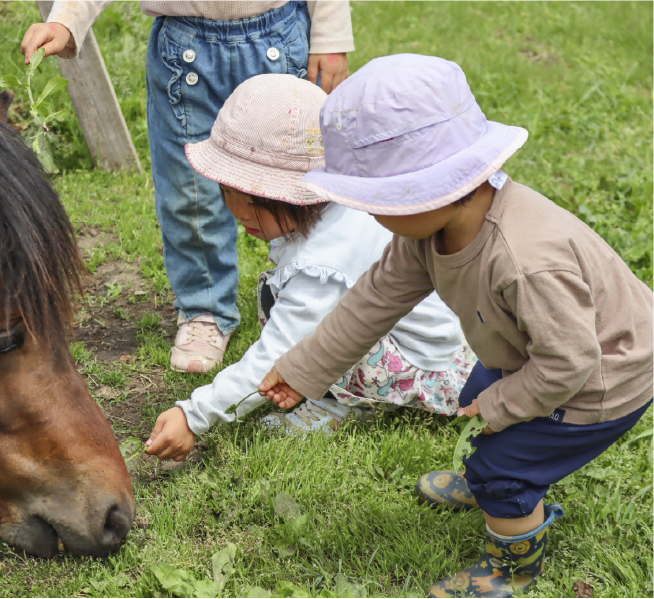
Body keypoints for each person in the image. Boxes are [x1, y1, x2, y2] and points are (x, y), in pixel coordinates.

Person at [258, 54, 653, 597]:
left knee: (504, 468)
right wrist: (304, 369)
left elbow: (571, 361)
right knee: (476, 393)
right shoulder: (428, 232)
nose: (370, 214)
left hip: (603, 378)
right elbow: (373, 300)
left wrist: (502, 406)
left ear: (429, 189)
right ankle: (486, 477)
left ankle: (510, 565)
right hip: (537, 355)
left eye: (376, 201)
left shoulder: (526, 261)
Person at [143, 73, 473, 462]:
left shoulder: (322, 261)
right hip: (447, 342)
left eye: (253, 199)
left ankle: (342, 403)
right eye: (228, 192)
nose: (237, 211)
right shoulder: (341, 204)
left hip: (423, 368)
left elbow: (276, 352)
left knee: (314, 335)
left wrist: (194, 416)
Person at [21, 2, 354, 373]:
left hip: (278, 40)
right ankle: (204, 308)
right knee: (190, 193)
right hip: (185, 54)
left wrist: (331, 36)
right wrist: (66, 21)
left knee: (298, 185)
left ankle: (316, 293)